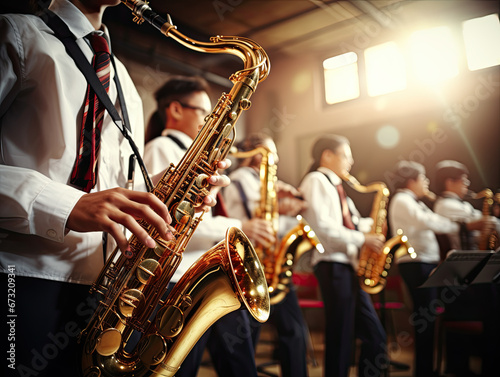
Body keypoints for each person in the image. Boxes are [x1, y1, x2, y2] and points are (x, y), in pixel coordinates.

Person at [0, 2, 228, 376]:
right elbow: (82, 196)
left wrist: (181, 196)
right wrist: (65, 205)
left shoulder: (122, 77)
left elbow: (121, 186)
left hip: (103, 291)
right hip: (21, 273)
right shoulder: (16, 34)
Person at [143, 76, 272, 377]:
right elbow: (174, 226)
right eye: (203, 112)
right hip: (179, 280)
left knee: (239, 365)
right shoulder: (162, 149)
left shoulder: (188, 154)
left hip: (198, 277)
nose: (208, 121)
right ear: (175, 109)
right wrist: (242, 227)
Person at [387, 160, 488, 377]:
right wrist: (463, 225)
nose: (427, 183)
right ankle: (425, 371)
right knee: (425, 319)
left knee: (430, 318)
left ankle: (429, 369)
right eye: (423, 178)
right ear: (411, 180)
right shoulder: (402, 199)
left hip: (425, 262)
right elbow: (429, 221)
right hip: (416, 263)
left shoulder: (414, 201)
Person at [222, 132, 310, 377]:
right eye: (271, 151)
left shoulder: (260, 180)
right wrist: (284, 210)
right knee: (250, 337)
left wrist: (283, 205)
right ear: (257, 152)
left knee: (291, 331)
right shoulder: (240, 178)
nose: (276, 157)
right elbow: (256, 219)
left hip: (272, 262)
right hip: (252, 265)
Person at [299, 134, 387, 377]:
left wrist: (375, 225)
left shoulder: (338, 188)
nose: (351, 161)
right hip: (331, 265)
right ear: (327, 155)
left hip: (347, 266)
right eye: (346, 155)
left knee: (371, 335)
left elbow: (354, 223)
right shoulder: (316, 180)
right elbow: (322, 229)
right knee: (341, 335)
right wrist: (363, 239)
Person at [432, 160, 500, 377]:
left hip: (469, 273)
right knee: (493, 312)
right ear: (449, 182)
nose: (468, 184)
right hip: (459, 276)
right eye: (463, 180)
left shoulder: (463, 205)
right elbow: (485, 223)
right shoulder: (446, 205)